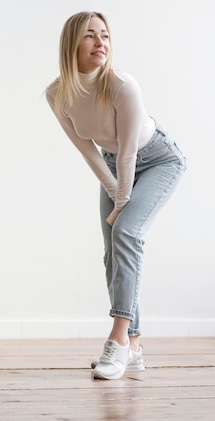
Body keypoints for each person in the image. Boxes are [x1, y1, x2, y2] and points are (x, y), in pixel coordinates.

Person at [45, 12, 186, 380]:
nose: (100, 42)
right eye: (90, 36)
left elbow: (128, 153)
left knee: (127, 233)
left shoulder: (123, 86)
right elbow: (89, 150)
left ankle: (118, 340)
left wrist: (122, 205)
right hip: (114, 167)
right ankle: (135, 346)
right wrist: (115, 193)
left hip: (157, 160)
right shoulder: (57, 94)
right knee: (112, 251)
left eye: (105, 35)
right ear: (71, 44)